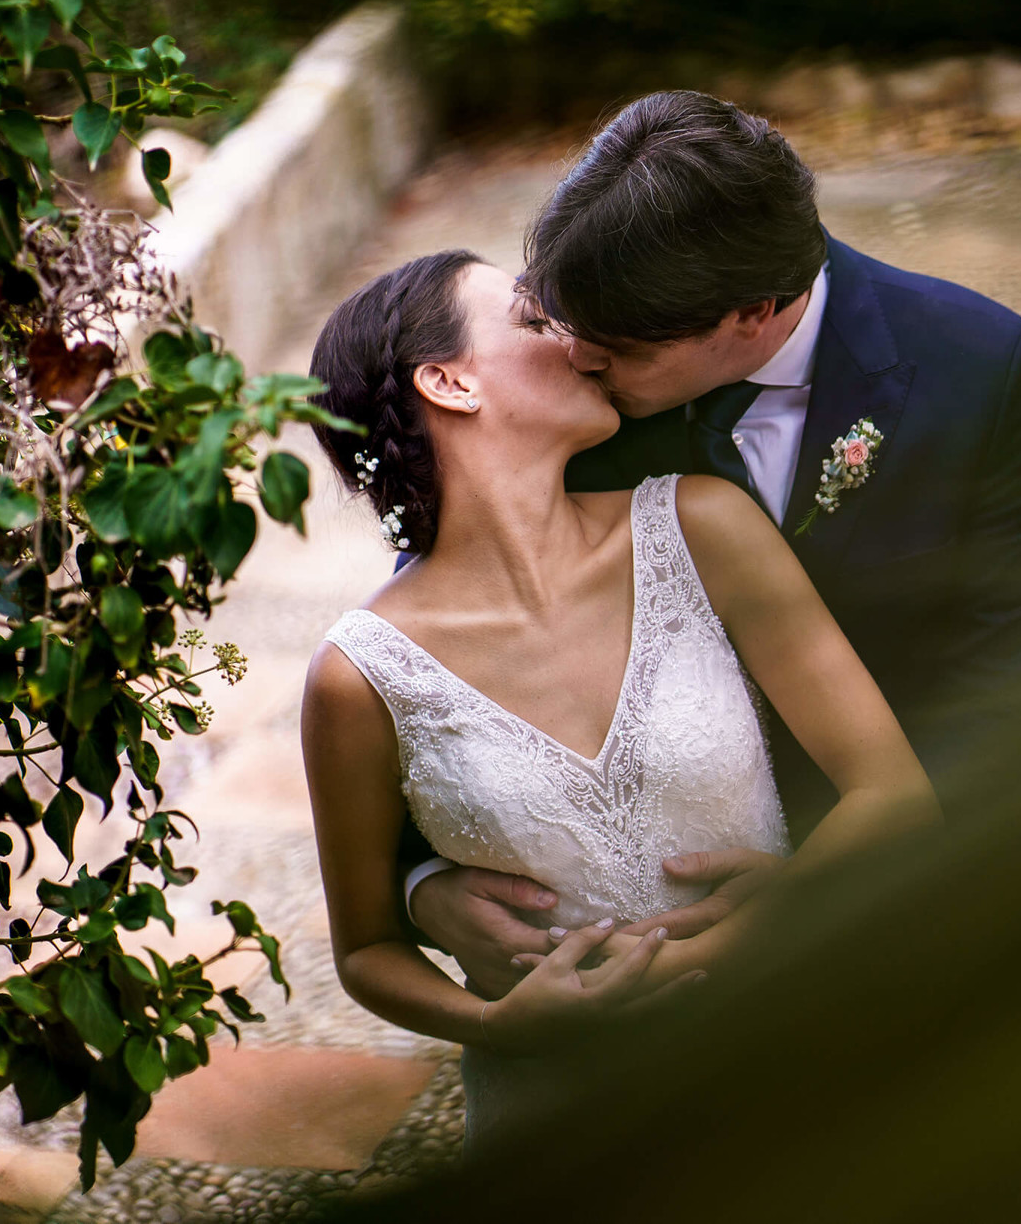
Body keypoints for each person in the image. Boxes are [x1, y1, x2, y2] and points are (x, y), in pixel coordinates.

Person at [404, 90, 1021, 996]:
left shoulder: (977, 369)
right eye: (564, 326)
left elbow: (1011, 703)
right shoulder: (569, 387)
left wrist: (826, 883)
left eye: (617, 350)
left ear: (754, 313)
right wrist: (424, 885)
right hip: (627, 931)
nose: (578, 360)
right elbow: (433, 653)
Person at [299, 250, 941, 1145]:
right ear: (450, 382)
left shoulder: (702, 524)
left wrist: (755, 930)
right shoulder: (358, 674)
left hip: (791, 1033)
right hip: (561, 1112)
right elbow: (366, 948)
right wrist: (496, 1025)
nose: (577, 340)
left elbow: (894, 790)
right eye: (530, 320)